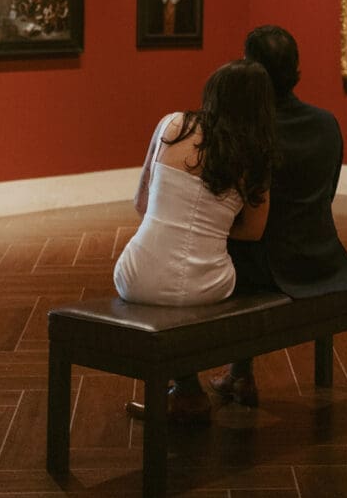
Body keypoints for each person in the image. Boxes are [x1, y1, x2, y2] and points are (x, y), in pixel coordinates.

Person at [211, 25, 347, 408]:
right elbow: (325, 197)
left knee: (196, 255)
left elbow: (228, 209)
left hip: (271, 266)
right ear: (296, 69)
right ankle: (239, 373)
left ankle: (187, 385)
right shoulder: (327, 124)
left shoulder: (247, 131)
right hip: (323, 257)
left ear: (250, 71)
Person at [116, 59, 277, 424]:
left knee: (165, 285)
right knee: (191, 289)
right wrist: (213, 227)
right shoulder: (256, 157)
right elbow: (253, 232)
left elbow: (141, 204)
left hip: (135, 275)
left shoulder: (172, 126)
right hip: (210, 284)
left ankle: (187, 391)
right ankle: (216, 382)